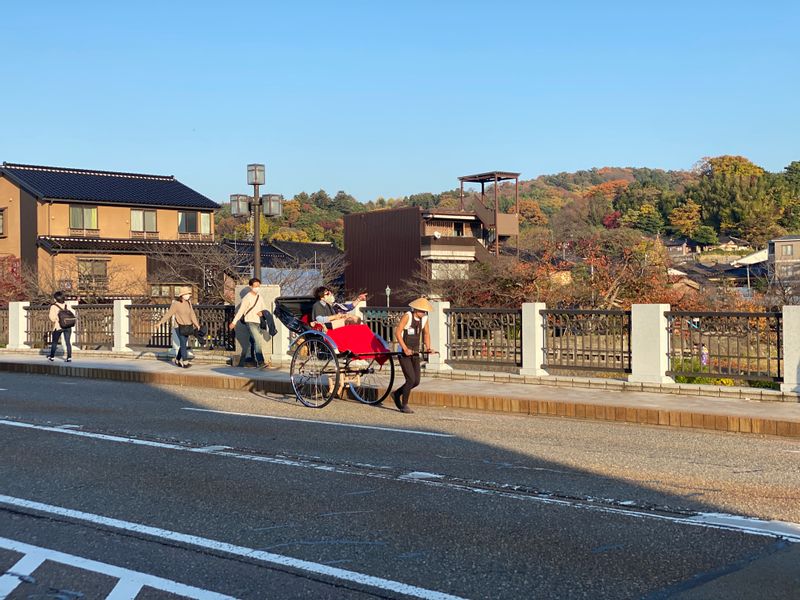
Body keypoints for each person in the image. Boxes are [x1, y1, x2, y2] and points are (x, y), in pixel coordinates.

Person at [391, 297, 434, 414]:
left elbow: (426, 334)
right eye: (421, 310)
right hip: (404, 352)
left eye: (424, 311)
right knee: (410, 379)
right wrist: (404, 348)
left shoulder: (424, 319)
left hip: (415, 351)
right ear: (415, 309)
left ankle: (396, 394)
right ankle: (404, 405)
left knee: (416, 381)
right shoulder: (408, 316)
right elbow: (398, 332)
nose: (423, 313)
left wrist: (428, 347)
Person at [229, 277, 270, 368]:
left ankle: (249, 359)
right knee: (258, 341)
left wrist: (262, 313)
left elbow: (264, 309)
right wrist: (234, 322)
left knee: (253, 341)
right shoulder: (247, 298)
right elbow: (241, 311)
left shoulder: (260, 297)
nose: (257, 288)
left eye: (258, 286)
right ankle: (261, 361)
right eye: (255, 286)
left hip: (258, 321)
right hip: (250, 321)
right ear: (251, 286)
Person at [155, 286, 199, 368]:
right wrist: (160, 323)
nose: (189, 295)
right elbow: (169, 314)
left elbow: (192, 314)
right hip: (179, 326)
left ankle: (177, 359)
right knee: (183, 342)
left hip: (187, 326)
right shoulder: (176, 304)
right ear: (182, 295)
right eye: (187, 294)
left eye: (189, 294)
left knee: (183, 344)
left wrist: (197, 324)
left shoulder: (188, 303)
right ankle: (185, 361)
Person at [47, 291, 73, 363]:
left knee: (54, 342)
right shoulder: (66, 305)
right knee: (68, 342)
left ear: (56, 298)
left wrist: (57, 319)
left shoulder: (53, 306)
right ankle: (69, 357)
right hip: (68, 326)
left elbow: (52, 318)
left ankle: (52, 356)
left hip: (59, 326)